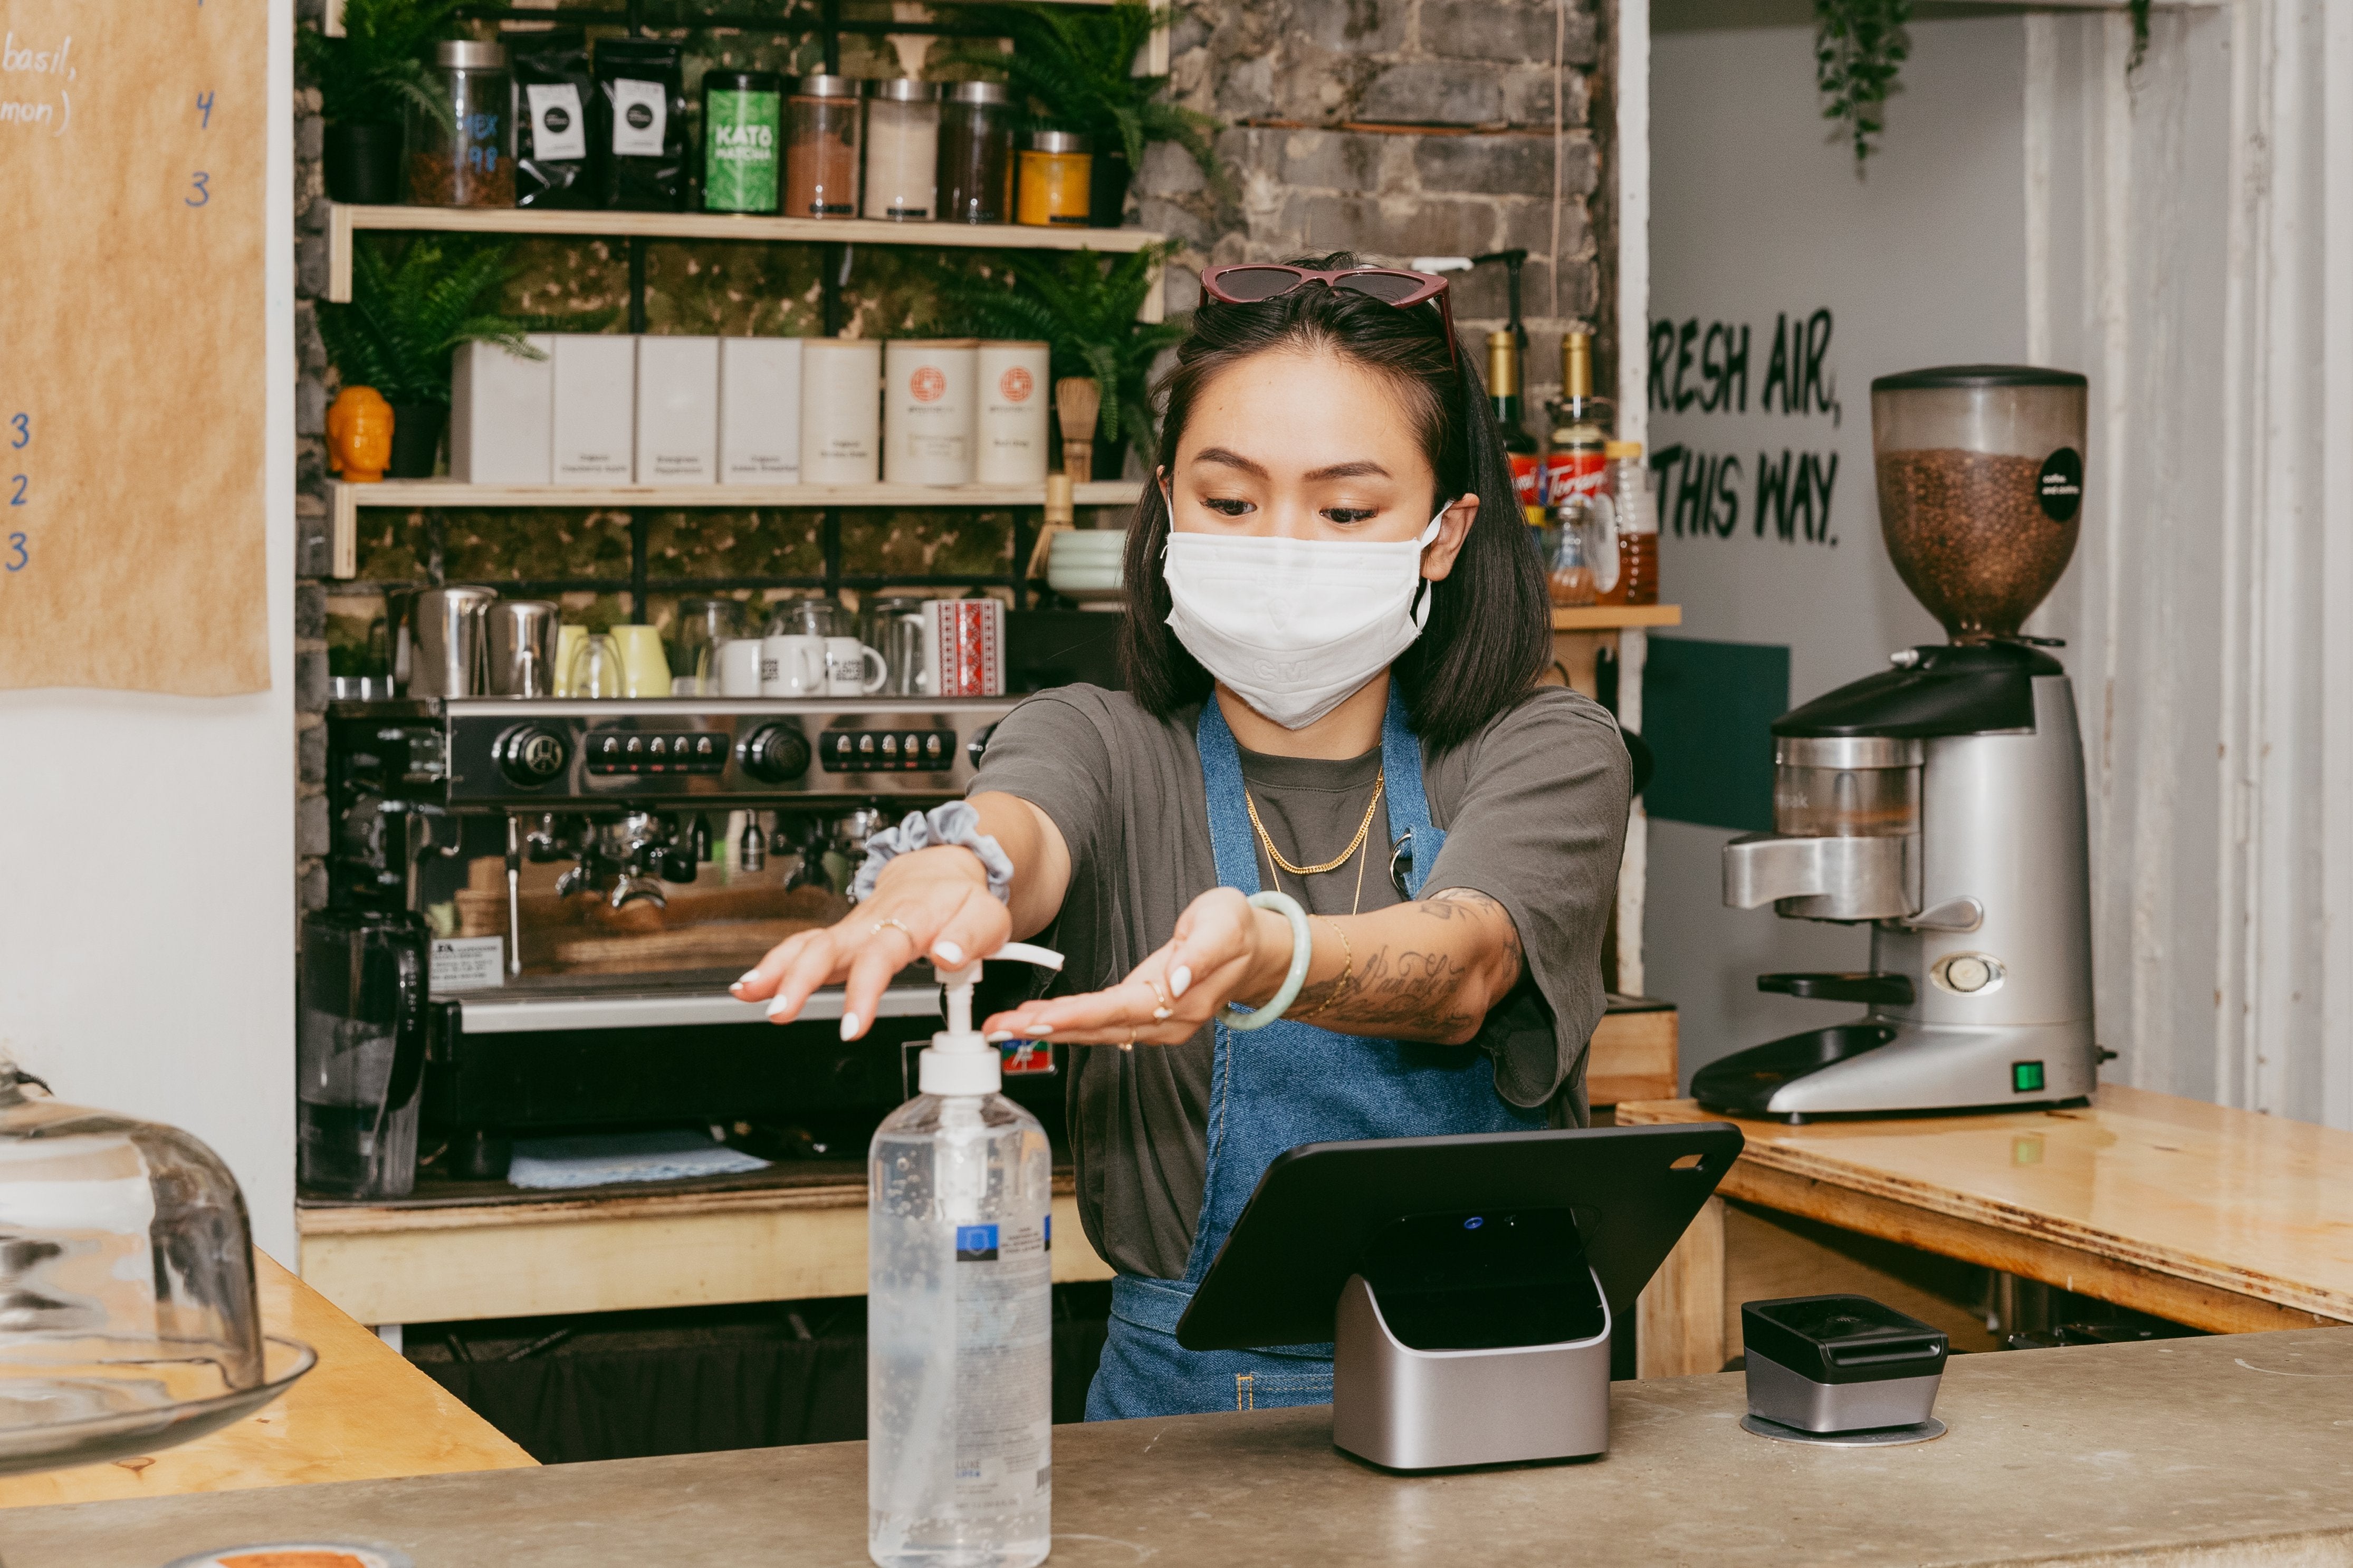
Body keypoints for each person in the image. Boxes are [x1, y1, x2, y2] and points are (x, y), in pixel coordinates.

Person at [736, 253, 1632, 1420]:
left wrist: (1270, 957)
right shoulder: (1106, 744)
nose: (1281, 543)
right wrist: (945, 871)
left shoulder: (1543, 748)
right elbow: (1017, 824)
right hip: (1184, 1414)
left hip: (1500, 1391)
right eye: (1229, 500)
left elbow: (1465, 966)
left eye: (1347, 507)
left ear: (1446, 530)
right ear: (1166, 504)